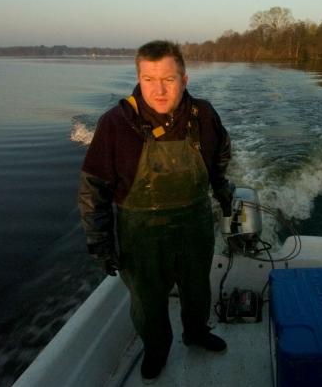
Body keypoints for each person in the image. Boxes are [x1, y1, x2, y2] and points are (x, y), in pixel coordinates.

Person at [78, 40, 233, 382]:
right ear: (138, 77)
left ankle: (196, 332)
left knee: (197, 289)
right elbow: (93, 190)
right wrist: (100, 243)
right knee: (147, 301)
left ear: (185, 79)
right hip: (140, 234)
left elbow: (221, 154)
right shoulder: (115, 124)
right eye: (149, 79)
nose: (159, 89)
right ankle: (156, 349)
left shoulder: (203, 115)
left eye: (168, 79)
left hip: (194, 226)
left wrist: (222, 189)